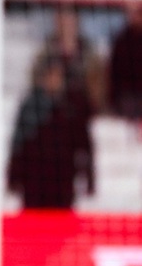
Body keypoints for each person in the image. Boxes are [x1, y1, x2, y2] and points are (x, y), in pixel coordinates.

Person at [8, 55, 94, 209]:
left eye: (57, 75)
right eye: (50, 75)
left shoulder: (72, 106)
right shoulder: (31, 105)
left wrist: (88, 176)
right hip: (34, 181)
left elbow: (84, 144)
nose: (54, 80)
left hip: (63, 180)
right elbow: (18, 142)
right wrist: (13, 176)